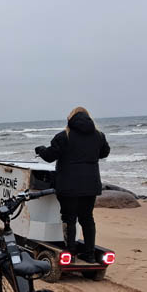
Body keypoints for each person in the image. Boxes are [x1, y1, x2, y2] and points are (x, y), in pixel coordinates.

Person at [35, 107, 110, 263]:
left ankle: (71, 253)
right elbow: (104, 153)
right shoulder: (99, 136)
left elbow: (49, 156)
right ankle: (90, 254)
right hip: (90, 185)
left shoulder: (64, 136)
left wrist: (40, 150)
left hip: (68, 185)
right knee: (87, 218)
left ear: (70, 119)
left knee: (69, 218)